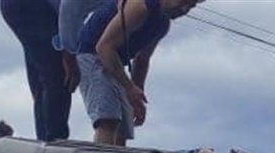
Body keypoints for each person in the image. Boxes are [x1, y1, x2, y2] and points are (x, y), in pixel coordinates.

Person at [66, 0, 200, 145]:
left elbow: (142, 60)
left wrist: (137, 98)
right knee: (108, 120)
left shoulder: (163, 25)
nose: (184, 9)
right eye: (183, 1)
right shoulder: (139, 6)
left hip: (114, 62)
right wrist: (129, 88)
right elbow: (104, 47)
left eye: (191, 6)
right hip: (91, 54)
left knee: (124, 127)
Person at [1, 0, 78, 141]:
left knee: (43, 78)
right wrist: (68, 52)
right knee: (57, 74)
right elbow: (65, 9)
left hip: (15, 7)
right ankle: (54, 143)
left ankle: (45, 141)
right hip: (39, 7)